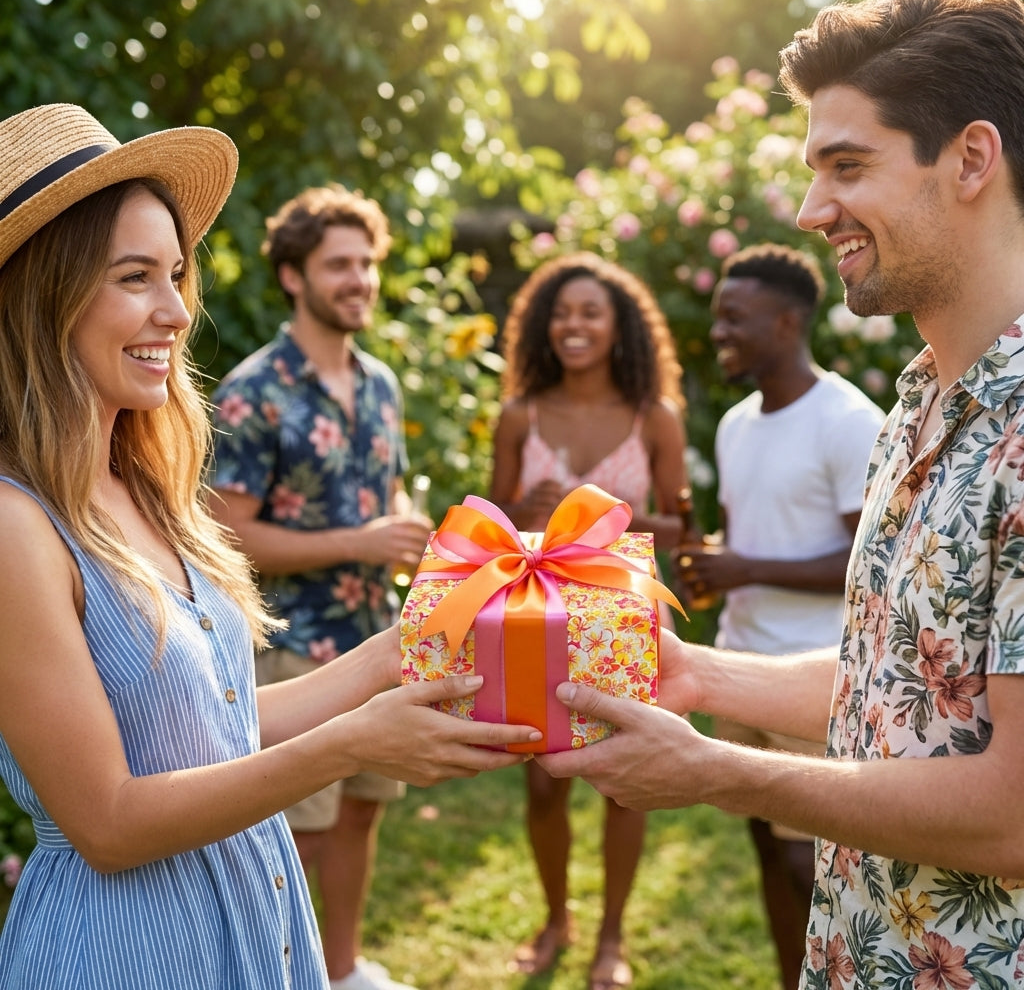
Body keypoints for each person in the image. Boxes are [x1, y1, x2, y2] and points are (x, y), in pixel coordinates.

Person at [538, 0, 1024, 989]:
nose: (811, 210)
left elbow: (1013, 812)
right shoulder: (917, 403)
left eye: (846, 166)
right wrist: (702, 675)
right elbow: (902, 688)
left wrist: (715, 772)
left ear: (971, 158)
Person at [0, 102, 540, 990]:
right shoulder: (18, 526)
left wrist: (399, 650)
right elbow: (108, 821)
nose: (176, 311)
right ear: (44, 296)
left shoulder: (142, 489)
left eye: (176, 274)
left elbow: (222, 726)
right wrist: (353, 742)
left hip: (251, 932)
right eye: (135, 277)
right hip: (127, 956)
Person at [208, 185, 434, 990]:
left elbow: (388, 496)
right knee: (295, 832)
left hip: (379, 641)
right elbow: (225, 535)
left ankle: (342, 973)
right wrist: (361, 540)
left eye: (368, 264)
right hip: (291, 648)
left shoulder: (380, 383)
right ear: (295, 278)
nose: (361, 279)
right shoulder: (252, 390)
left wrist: (410, 530)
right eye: (340, 264)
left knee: (363, 813)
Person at [677, 242, 883, 989]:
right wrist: (712, 569)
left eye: (736, 317)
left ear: (788, 321)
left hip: (813, 677)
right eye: (717, 316)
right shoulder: (735, 424)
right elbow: (750, 543)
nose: (719, 331)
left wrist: (748, 566)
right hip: (741, 669)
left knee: (811, 861)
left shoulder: (848, 420)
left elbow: (869, 568)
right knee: (767, 847)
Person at [489, 251, 689, 990]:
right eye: (561, 313)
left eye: (591, 313)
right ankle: (554, 918)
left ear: (619, 328)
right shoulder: (520, 415)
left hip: (624, 618)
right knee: (543, 782)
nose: (574, 326)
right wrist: (526, 517)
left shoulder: (655, 419)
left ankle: (611, 936)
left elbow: (682, 527)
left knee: (623, 780)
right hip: (538, 620)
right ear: (544, 327)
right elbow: (491, 524)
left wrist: (604, 520)